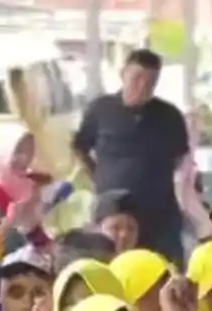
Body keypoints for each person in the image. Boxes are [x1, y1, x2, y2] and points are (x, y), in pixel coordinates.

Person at [72, 48, 190, 266]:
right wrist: (97, 175)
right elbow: (80, 146)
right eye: (137, 78)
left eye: (150, 81)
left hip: (159, 212)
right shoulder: (101, 109)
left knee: (164, 269)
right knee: (111, 265)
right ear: (123, 74)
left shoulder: (169, 116)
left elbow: (181, 158)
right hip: (114, 211)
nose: (143, 86)